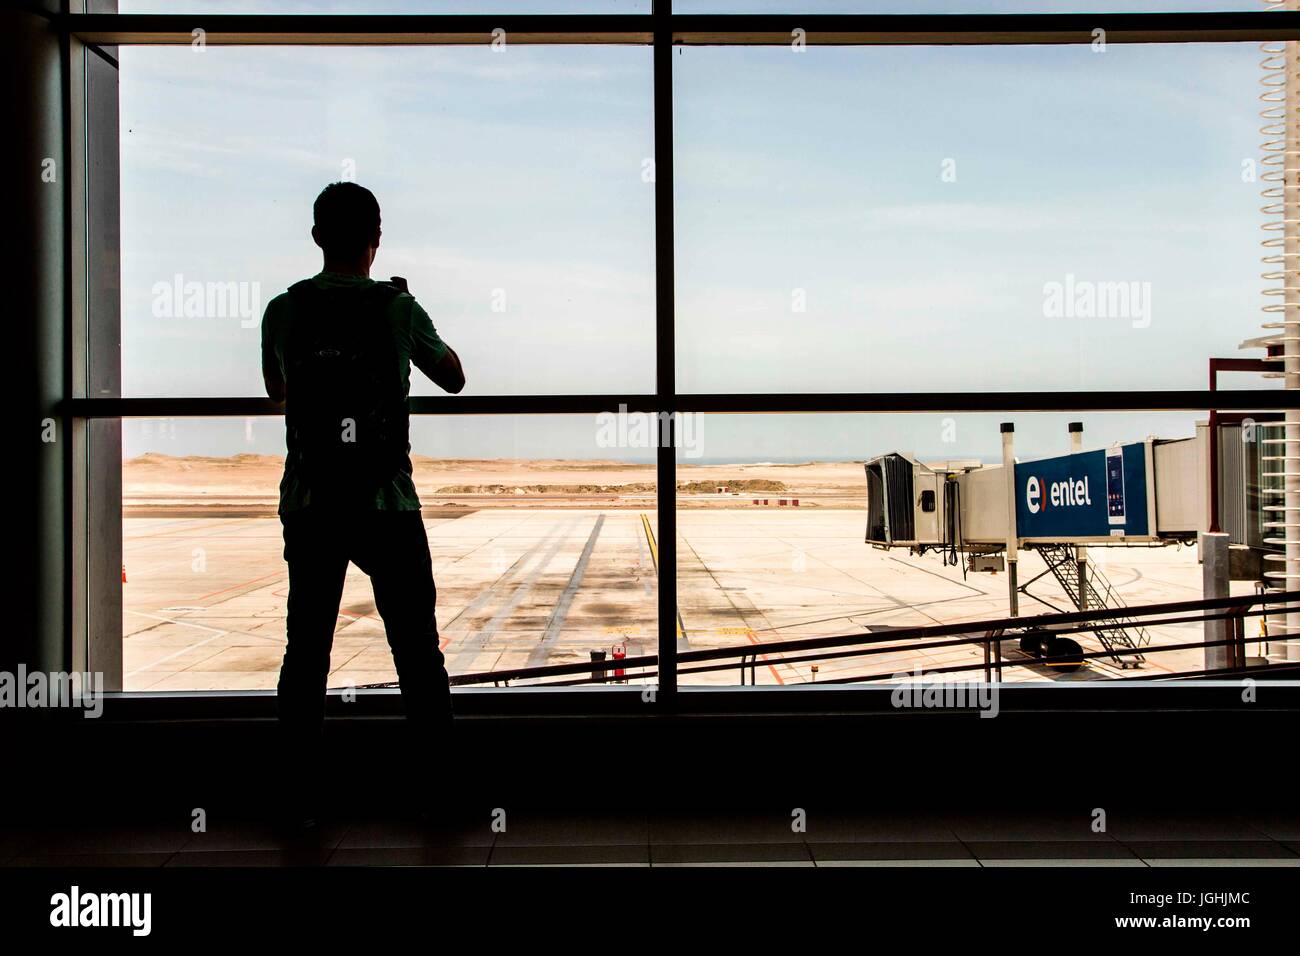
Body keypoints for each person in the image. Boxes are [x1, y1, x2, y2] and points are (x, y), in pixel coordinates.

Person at [260, 182, 465, 826]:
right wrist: (403, 311)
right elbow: (454, 377)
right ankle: (437, 796)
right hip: (386, 501)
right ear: (377, 242)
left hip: (313, 500)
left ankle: (298, 799)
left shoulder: (284, 310)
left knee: (307, 651)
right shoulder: (396, 309)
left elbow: (277, 392)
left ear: (317, 236)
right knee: (417, 653)